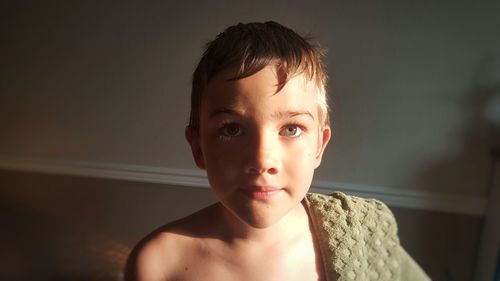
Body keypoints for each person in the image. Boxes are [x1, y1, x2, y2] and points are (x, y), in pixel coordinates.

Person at [125, 21, 430, 281]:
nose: (262, 160)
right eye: (231, 129)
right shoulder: (157, 263)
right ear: (198, 148)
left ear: (319, 146)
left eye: (291, 128)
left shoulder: (364, 233)